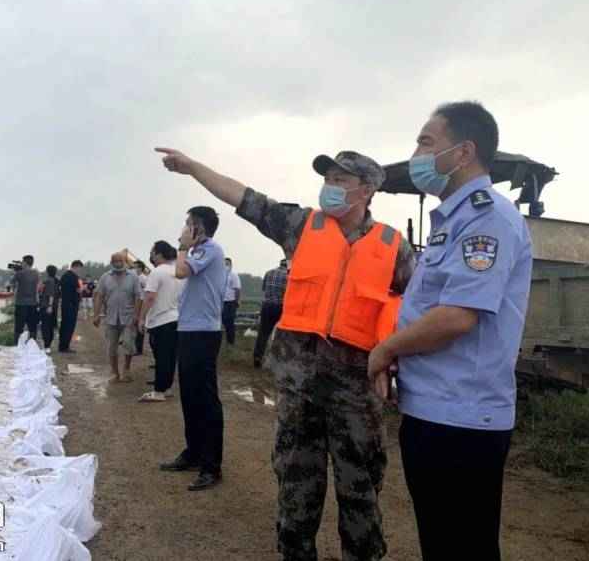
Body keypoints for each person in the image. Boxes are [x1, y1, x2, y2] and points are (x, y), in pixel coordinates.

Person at [156, 147, 414, 560]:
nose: (328, 187)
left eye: (340, 180)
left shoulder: (393, 247)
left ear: (366, 189)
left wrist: (393, 362)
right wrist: (192, 168)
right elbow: (244, 198)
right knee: (296, 487)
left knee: (361, 491)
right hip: (299, 389)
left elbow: (409, 307)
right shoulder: (301, 225)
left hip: (356, 392)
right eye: (326, 179)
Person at [367, 102, 532, 561]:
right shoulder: (453, 222)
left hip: (462, 419)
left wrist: (385, 349)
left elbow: (459, 316)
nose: (417, 154)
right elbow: (427, 310)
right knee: (442, 544)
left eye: (425, 142)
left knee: (463, 547)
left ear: (463, 152)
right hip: (435, 410)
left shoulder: (488, 218)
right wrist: (402, 358)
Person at [155, 206, 226, 492]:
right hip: (187, 329)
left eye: (188, 224)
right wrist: (186, 247)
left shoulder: (211, 249)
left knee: (206, 400)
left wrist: (183, 246)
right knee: (189, 396)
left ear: (199, 227)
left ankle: (212, 465)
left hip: (204, 333)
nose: (183, 228)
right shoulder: (197, 251)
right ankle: (193, 452)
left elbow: (181, 271)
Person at [137, 241, 183, 402]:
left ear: (158, 253)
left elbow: (149, 297)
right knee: (170, 356)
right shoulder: (178, 271)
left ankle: (159, 391)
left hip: (161, 319)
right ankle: (166, 387)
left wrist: (141, 318)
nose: (151, 256)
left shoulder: (157, 272)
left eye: (152, 252)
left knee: (162, 356)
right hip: (176, 318)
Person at [94, 252, 141, 382]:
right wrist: (96, 314)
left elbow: (138, 296)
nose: (118, 263)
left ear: (125, 262)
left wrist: (137, 315)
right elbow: (99, 296)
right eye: (115, 261)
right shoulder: (105, 277)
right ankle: (115, 372)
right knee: (111, 347)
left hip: (128, 317)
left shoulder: (133, 277)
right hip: (111, 317)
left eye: (120, 261)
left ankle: (126, 368)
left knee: (128, 344)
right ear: (111, 263)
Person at [253, 258, 288, 368]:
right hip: (280, 307)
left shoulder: (269, 273)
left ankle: (257, 357)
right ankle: (278, 360)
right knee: (282, 334)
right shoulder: (287, 276)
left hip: (267, 305)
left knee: (263, 333)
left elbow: (264, 289)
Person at [11, 254, 40, 345]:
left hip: (21, 303)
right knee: (32, 326)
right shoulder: (36, 274)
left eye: (22, 262)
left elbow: (11, 283)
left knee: (19, 326)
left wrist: (14, 272)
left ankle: (17, 344)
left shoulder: (19, 273)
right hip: (33, 303)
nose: (22, 263)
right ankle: (32, 344)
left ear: (25, 263)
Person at [58, 260, 83, 353]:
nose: (80, 271)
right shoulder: (73, 277)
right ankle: (65, 347)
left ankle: (63, 345)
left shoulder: (65, 276)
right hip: (71, 305)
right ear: (76, 267)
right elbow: (78, 290)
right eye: (80, 269)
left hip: (66, 304)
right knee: (69, 326)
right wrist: (79, 290)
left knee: (64, 325)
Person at [221, 257, 242, 346]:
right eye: (224, 264)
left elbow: (237, 289)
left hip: (230, 302)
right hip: (221, 302)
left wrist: (237, 301)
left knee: (230, 322)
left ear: (231, 265)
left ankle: (230, 342)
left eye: (227, 264)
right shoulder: (219, 275)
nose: (226, 266)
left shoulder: (233, 275)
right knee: (222, 321)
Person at [39, 264, 60, 350]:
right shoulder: (56, 281)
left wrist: (49, 306)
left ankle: (47, 346)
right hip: (53, 306)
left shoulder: (49, 281)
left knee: (45, 326)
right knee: (50, 326)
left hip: (47, 306)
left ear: (47, 272)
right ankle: (48, 345)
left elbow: (50, 295)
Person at [133, 260, 149, 355]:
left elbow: (147, 291)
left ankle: (139, 348)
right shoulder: (135, 278)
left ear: (140, 268)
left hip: (142, 303)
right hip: (136, 303)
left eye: (135, 267)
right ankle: (136, 346)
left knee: (139, 325)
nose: (134, 269)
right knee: (135, 326)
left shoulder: (143, 278)